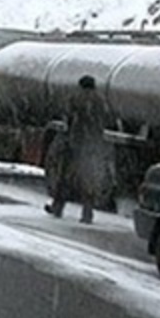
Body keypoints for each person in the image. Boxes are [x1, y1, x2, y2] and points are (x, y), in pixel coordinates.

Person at [45, 75, 114, 224]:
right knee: (87, 179)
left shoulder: (76, 98)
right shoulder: (101, 101)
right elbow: (106, 120)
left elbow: (68, 118)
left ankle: (58, 207)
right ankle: (87, 213)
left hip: (75, 143)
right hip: (93, 145)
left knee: (65, 177)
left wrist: (69, 136)